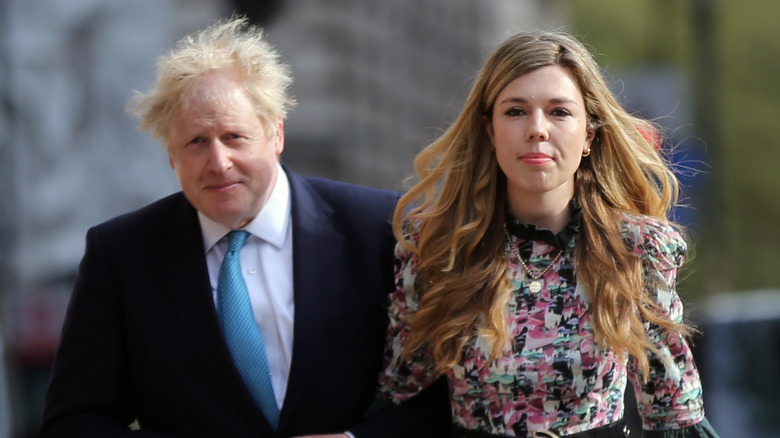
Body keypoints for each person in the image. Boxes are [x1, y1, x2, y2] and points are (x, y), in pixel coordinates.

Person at [40, 17, 449, 438]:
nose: (218, 163)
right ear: (170, 156)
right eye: (196, 142)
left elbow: (447, 395)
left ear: (276, 135)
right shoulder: (121, 255)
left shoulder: (382, 229)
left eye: (234, 136)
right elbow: (73, 421)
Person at [376, 31, 720, 438]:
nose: (537, 129)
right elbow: (397, 393)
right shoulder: (440, 246)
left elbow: (674, 413)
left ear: (589, 134)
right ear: (489, 130)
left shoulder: (638, 248)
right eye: (516, 111)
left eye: (559, 112)